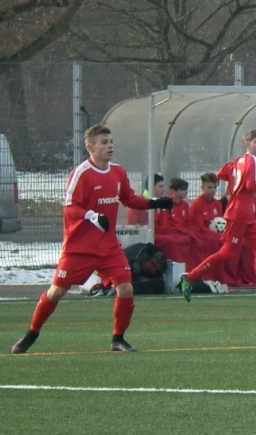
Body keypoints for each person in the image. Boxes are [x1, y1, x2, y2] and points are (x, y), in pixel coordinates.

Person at [11, 124, 174, 354]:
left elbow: (129, 199)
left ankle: (118, 339)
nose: (110, 146)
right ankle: (31, 334)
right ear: (90, 147)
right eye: (104, 143)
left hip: (108, 248)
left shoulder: (118, 172)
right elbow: (70, 207)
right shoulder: (81, 173)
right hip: (79, 248)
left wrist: (154, 203)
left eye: (111, 142)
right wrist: (92, 216)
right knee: (56, 292)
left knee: (126, 289)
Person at [179, 128, 256, 306]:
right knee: (226, 253)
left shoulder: (239, 161)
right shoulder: (252, 161)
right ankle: (190, 278)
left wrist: (235, 182)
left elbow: (221, 174)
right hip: (239, 214)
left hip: (245, 214)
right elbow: (250, 185)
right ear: (247, 143)